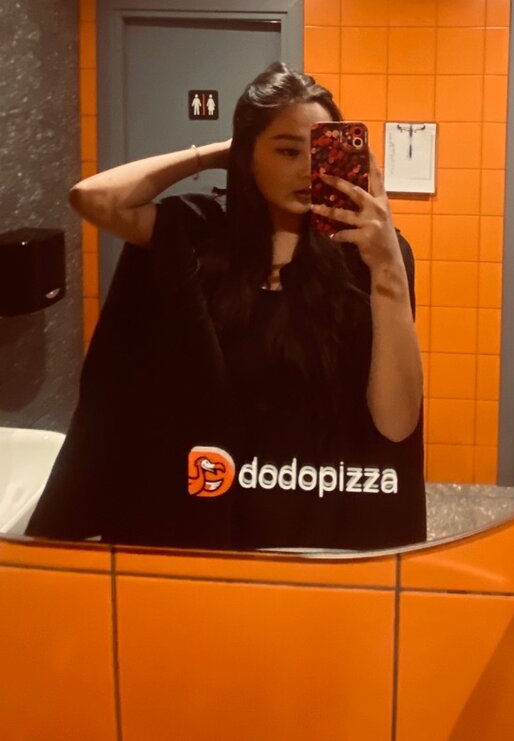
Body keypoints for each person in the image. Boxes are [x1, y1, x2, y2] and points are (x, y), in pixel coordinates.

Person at [29, 63, 426, 552]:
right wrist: (216, 153)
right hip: (205, 515)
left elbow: (397, 423)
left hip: (320, 523)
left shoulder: (367, 255)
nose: (308, 169)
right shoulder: (198, 234)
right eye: (287, 150)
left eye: (320, 150)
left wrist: (388, 268)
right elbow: (91, 198)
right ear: (248, 154)